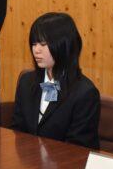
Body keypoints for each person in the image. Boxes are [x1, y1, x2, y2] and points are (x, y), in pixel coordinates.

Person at [11, 12, 100, 149]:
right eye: (34, 43)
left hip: (66, 161)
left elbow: (78, 148)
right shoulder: (26, 82)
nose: (36, 50)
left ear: (63, 46)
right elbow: (17, 131)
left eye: (43, 44)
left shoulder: (85, 93)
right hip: (29, 159)